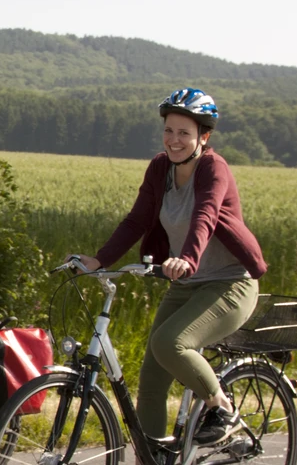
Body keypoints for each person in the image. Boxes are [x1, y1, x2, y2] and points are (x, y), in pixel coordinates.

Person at [72, 87, 266, 449]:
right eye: (169, 131)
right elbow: (137, 220)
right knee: (151, 381)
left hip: (230, 284)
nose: (174, 140)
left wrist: (188, 258)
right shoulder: (160, 168)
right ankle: (154, 459)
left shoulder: (213, 167)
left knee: (170, 343)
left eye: (184, 133)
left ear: (203, 137)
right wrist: (100, 259)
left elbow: (205, 215)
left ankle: (222, 409)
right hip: (187, 285)